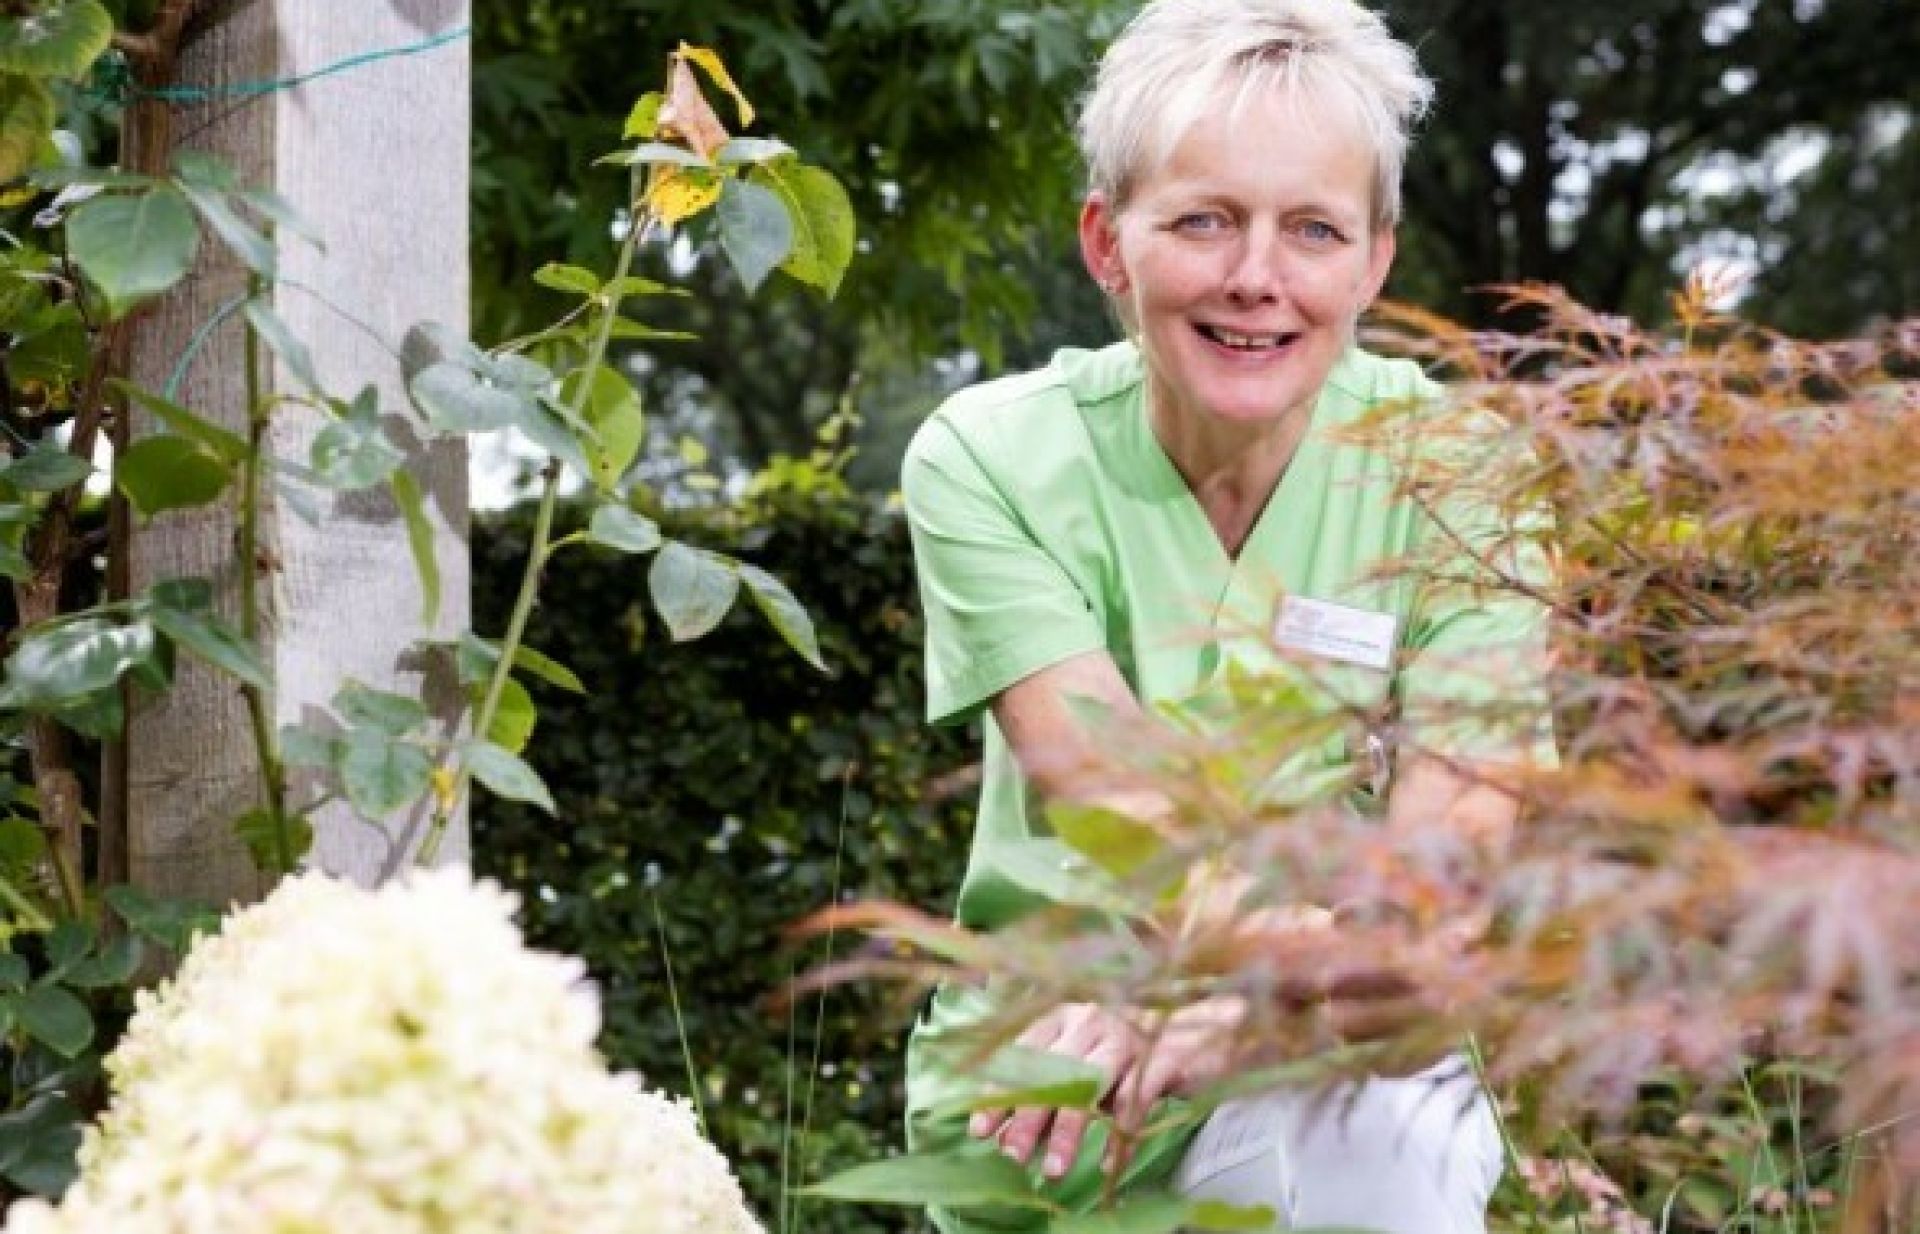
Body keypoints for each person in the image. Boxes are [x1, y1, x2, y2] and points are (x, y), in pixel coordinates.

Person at [898, 1, 1555, 1231]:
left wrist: (1255, 1007)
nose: (1257, 277)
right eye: (1203, 219)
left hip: (1334, 1060)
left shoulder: (1461, 476)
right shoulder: (988, 459)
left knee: (1390, 1136)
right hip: (1054, 1084)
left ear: (1373, 262)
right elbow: (1117, 797)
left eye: (1312, 228)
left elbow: (1435, 891)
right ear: (1108, 242)